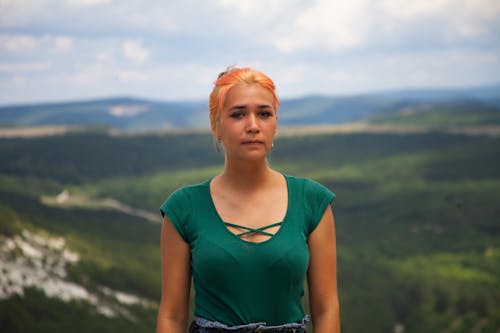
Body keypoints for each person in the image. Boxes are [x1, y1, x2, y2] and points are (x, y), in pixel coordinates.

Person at [157, 67, 340, 333]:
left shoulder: (312, 202)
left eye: (264, 114)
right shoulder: (183, 208)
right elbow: (171, 317)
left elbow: (326, 311)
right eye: (238, 114)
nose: (253, 126)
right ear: (216, 126)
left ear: (276, 123)